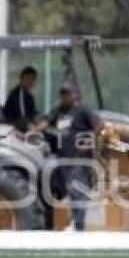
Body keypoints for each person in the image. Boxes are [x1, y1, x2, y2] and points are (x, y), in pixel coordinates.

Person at [35, 82, 102, 230]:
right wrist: (33, 131)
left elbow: (98, 125)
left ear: (75, 95)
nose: (64, 96)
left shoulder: (82, 110)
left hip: (79, 157)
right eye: (62, 93)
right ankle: (70, 221)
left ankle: (78, 225)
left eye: (67, 93)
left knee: (78, 190)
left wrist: (88, 143)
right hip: (63, 158)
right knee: (67, 189)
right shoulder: (59, 111)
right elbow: (46, 122)